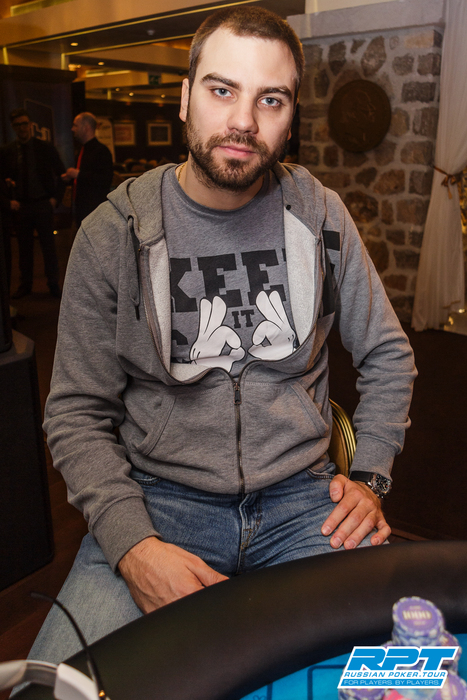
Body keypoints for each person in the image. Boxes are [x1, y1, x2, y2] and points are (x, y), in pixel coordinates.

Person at [31, 6, 416, 665]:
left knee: (405, 676)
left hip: (304, 504)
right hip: (159, 506)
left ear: (290, 117)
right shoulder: (113, 232)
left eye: (270, 99)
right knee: (53, 689)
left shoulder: (321, 214)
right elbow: (74, 411)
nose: (243, 120)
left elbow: (386, 354)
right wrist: (133, 545)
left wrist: (370, 478)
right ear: (185, 98)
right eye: (221, 90)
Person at [1, 109, 65, 299]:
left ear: (30, 125)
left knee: (48, 247)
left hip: (42, 203)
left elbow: (61, 174)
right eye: (18, 125)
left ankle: (53, 283)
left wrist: (55, 199)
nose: (22, 128)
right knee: (24, 248)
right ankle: (25, 284)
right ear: (13, 127)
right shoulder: (7, 151)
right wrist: (9, 198)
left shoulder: (45, 148)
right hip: (21, 206)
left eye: (24, 123)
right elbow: (3, 178)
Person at [62, 112, 114, 229]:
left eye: (75, 125)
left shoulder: (101, 151)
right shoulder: (82, 149)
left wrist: (78, 174)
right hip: (79, 210)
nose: (72, 129)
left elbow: (105, 179)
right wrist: (70, 177)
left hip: (94, 212)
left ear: (86, 128)